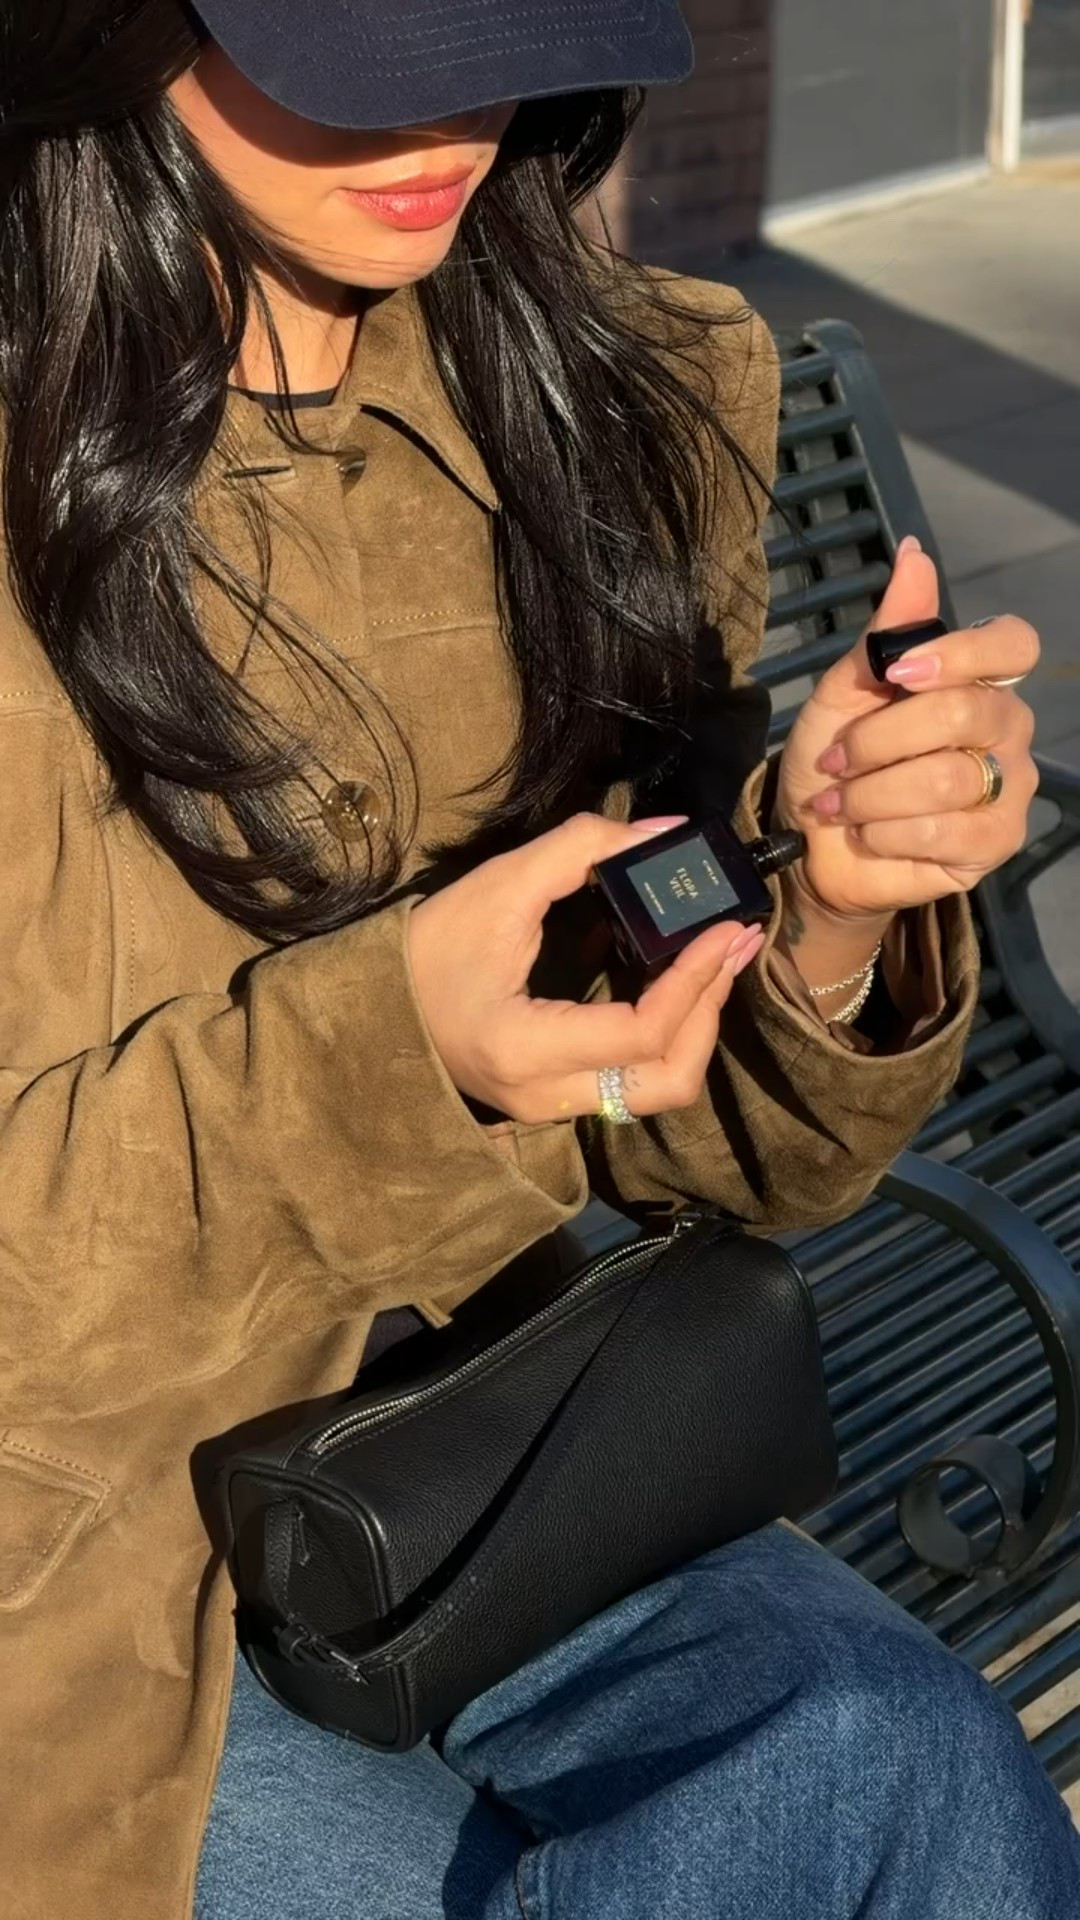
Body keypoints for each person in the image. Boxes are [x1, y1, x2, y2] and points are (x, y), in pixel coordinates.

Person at [0, 3, 1070, 1917]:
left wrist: (823, 895)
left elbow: (723, 1158)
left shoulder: (607, 406)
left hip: (492, 1443)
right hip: (64, 1572)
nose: (455, 105)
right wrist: (379, 1068)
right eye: (354, 34)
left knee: (889, 1759)